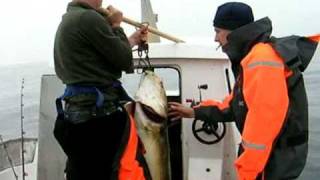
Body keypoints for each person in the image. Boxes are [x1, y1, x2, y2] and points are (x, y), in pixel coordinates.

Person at [169, 2, 320, 180]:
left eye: (218, 31)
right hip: (270, 158)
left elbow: (263, 125)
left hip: (272, 162)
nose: (215, 38)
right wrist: (194, 111)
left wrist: (246, 173)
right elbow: (235, 105)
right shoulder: (252, 56)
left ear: (234, 32)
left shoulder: (261, 60)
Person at [53, 0, 150, 179]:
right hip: (99, 118)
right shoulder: (89, 18)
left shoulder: (71, 19)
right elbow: (122, 59)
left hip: (77, 116)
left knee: (88, 172)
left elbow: (108, 52)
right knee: (116, 170)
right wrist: (116, 25)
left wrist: (133, 39)